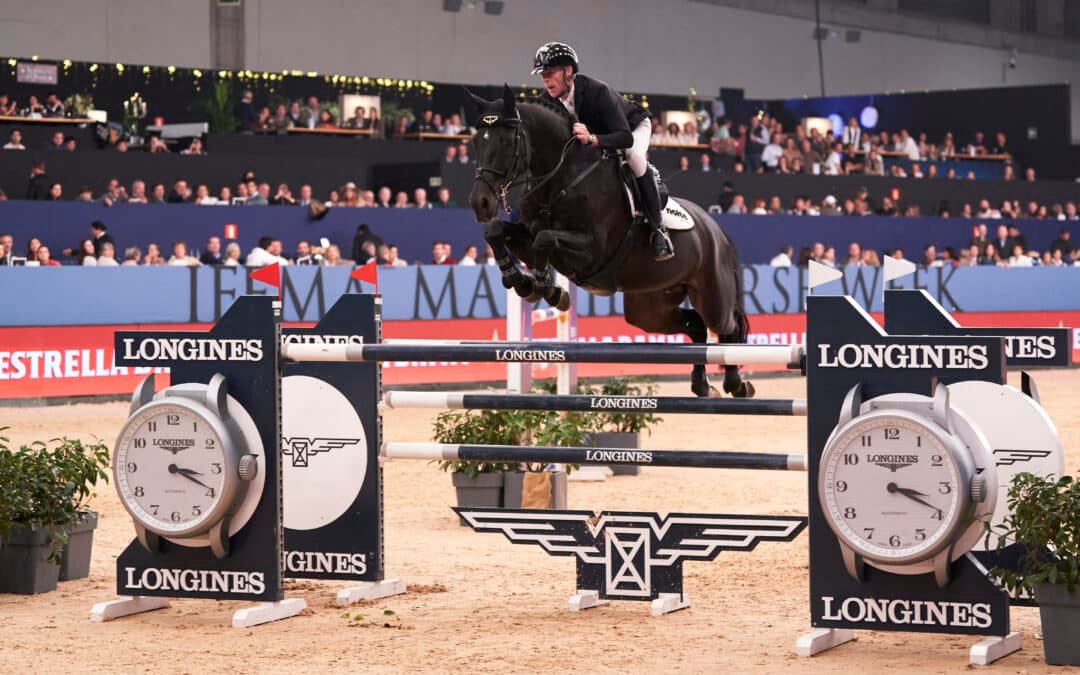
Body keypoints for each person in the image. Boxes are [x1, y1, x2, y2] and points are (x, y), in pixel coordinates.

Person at [532, 41, 672, 261]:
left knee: (633, 156)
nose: (545, 79)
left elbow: (624, 138)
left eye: (549, 72)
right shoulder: (546, 102)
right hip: (600, 137)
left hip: (632, 126)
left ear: (568, 71)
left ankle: (659, 229)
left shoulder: (597, 92)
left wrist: (592, 138)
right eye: (542, 74)